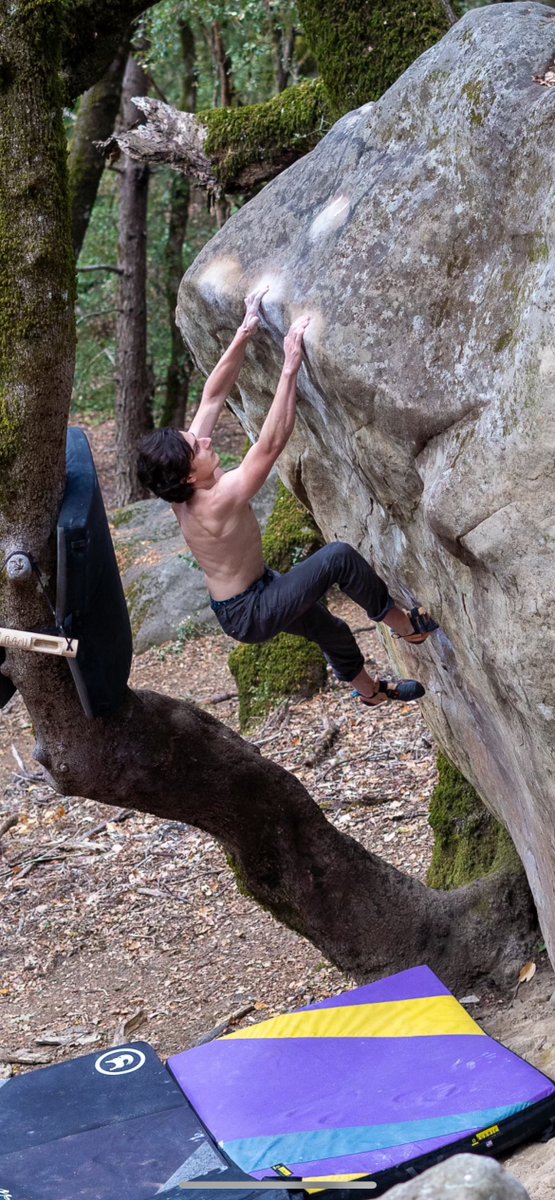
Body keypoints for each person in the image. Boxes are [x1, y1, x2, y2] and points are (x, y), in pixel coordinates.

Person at [137, 287, 438, 708]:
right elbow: (272, 442)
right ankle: (406, 626)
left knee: (331, 630)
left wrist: (244, 331)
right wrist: (290, 366)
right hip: (250, 611)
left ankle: (371, 693)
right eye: (197, 447)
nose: (204, 440)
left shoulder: (181, 486)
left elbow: (212, 396)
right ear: (189, 474)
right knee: (337, 558)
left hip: (253, 591)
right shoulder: (215, 501)